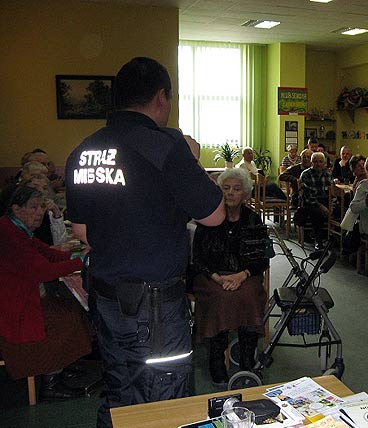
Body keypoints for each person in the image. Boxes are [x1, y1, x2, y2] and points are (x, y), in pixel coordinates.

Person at [65, 57, 226, 428]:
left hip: (106, 298)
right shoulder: (164, 146)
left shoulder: (84, 151)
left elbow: (82, 232)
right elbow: (214, 213)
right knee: (164, 398)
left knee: (120, 389)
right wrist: (191, 158)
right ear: (160, 97)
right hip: (154, 310)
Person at [0, 186, 92, 400]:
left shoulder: (17, 229)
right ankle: (51, 383)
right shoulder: (7, 233)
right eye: (33, 207)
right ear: (16, 208)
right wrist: (82, 261)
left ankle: (64, 362)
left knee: (72, 308)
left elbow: (46, 253)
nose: (40, 211)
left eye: (41, 206)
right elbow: (41, 271)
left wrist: (73, 256)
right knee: (65, 319)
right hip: (12, 308)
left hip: (20, 298)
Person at [192, 169, 269, 386]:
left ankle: (247, 360)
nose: (230, 193)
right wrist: (217, 278)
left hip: (244, 276)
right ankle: (216, 361)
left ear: (245, 194)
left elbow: (262, 258)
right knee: (220, 297)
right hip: (212, 277)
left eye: (236, 189)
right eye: (226, 188)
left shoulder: (253, 218)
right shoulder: (209, 218)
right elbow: (198, 257)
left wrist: (242, 275)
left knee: (250, 295)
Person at [22, 174, 67, 246]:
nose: (40, 191)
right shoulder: (22, 212)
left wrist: (57, 214)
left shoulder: (49, 212)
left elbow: (61, 242)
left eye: (44, 188)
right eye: (35, 187)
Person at [300, 152, 332, 250]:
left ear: (324, 163)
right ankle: (318, 240)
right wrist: (321, 207)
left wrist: (332, 206)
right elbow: (308, 196)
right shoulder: (306, 175)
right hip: (311, 202)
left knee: (341, 210)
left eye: (320, 162)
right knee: (317, 213)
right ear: (311, 162)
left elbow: (332, 194)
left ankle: (333, 239)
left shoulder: (328, 175)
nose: (318, 164)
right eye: (315, 162)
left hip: (325, 200)